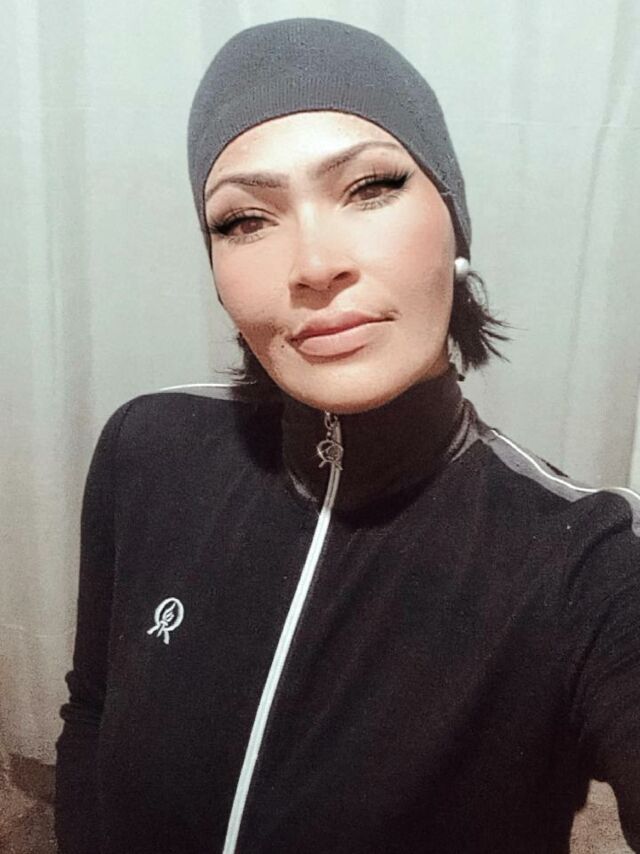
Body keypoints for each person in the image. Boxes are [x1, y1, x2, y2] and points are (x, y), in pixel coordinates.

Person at [54, 17, 640, 854]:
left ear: (454, 225)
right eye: (243, 220)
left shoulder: (589, 561)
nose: (314, 264)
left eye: (370, 187)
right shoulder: (146, 445)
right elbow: (92, 709)